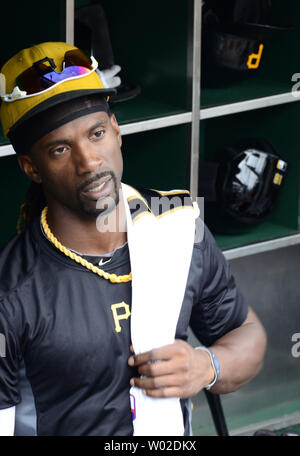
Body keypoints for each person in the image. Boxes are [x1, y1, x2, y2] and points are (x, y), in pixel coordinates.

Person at [0, 41, 267, 436]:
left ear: (117, 132)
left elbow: (247, 333)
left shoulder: (177, 226)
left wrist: (206, 366)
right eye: (60, 149)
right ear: (31, 168)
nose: (89, 161)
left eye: (96, 133)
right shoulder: (12, 289)